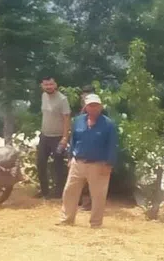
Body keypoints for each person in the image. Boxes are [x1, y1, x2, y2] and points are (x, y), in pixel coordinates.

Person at [59, 93, 118, 228]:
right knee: (69, 191)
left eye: (96, 105)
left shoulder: (108, 124)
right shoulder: (78, 121)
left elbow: (112, 145)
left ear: (100, 107)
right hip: (78, 162)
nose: (93, 108)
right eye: (90, 105)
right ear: (86, 107)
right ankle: (66, 219)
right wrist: (70, 158)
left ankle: (96, 223)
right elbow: (73, 140)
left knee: (98, 196)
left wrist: (109, 163)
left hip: (99, 164)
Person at [35, 76, 71, 199]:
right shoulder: (44, 96)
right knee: (40, 163)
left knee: (58, 165)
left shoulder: (62, 99)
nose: (48, 87)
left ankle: (59, 191)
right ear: (42, 86)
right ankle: (44, 191)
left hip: (58, 137)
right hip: (45, 135)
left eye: (51, 84)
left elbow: (67, 118)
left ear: (55, 85)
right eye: (46, 85)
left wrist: (65, 138)